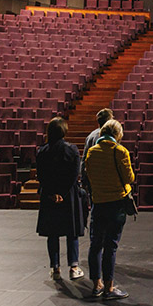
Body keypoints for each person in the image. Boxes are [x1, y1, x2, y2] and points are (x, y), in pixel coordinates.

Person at [84, 119, 136, 300]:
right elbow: (129, 178)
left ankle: (96, 284)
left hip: (98, 202)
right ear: (118, 134)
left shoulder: (91, 152)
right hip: (116, 203)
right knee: (111, 246)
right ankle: (109, 287)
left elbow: (88, 175)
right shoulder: (120, 151)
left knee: (96, 244)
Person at [36, 117, 86, 281]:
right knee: (71, 233)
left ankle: (55, 268)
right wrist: (62, 193)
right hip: (68, 197)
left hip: (49, 196)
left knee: (53, 233)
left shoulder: (42, 151)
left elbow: (41, 176)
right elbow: (74, 175)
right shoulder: (71, 149)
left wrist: (52, 193)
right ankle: (74, 266)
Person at [81, 108, 113, 190]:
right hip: (104, 178)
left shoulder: (91, 135)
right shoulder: (110, 137)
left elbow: (84, 159)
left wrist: (83, 178)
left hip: (92, 177)